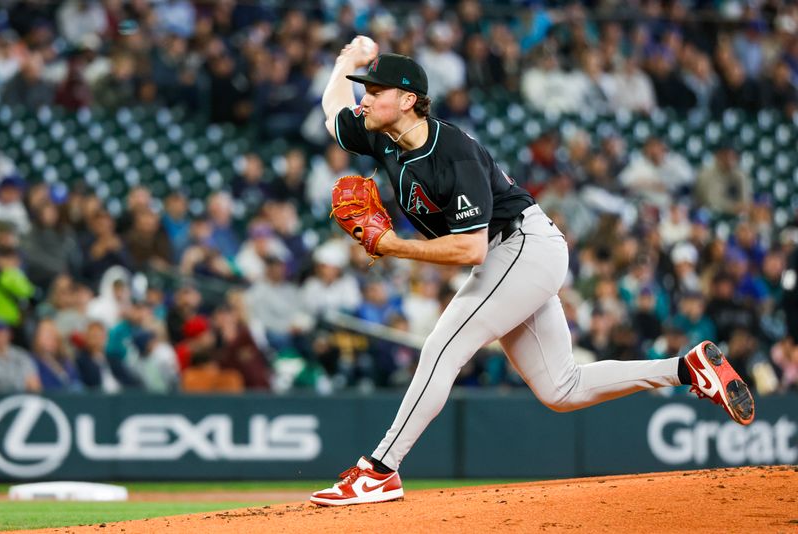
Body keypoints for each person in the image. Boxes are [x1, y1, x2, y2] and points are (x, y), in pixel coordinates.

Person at [310, 37, 756, 507]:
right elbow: (331, 108)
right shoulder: (381, 133)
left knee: (443, 347)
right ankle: (688, 369)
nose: (364, 98)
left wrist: (390, 245)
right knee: (561, 388)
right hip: (518, 255)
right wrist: (347, 61)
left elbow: (471, 248)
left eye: (375, 90)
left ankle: (379, 470)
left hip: (521, 245)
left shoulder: (453, 154)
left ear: (406, 101)